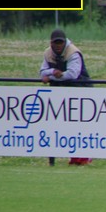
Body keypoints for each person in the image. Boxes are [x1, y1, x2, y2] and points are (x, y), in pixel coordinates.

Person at [40, 28, 92, 165]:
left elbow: (73, 74)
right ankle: (60, 160)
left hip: (81, 91)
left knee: (80, 126)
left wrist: (52, 77)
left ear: (65, 42)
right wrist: (53, 71)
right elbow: (42, 72)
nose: (58, 45)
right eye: (55, 43)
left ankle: (83, 158)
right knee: (58, 125)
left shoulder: (73, 52)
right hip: (61, 93)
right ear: (51, 43)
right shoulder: (47, 53)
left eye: (60, 42)